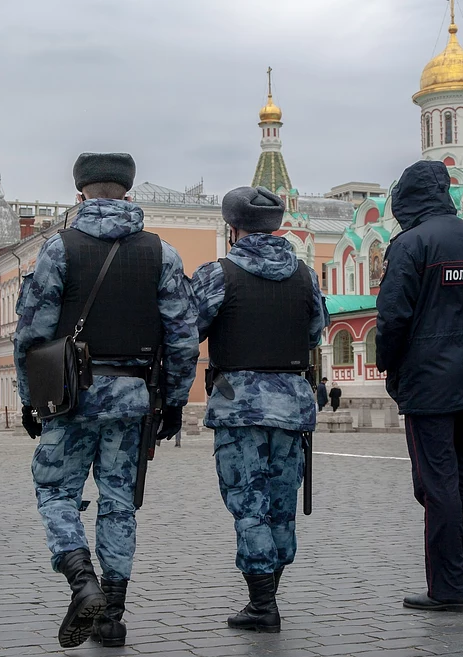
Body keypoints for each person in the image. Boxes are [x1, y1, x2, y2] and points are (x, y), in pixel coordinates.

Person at [14, 153, 199, 648]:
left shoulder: (58, 249)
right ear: (128, 193)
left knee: (55, 491)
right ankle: (111, 617)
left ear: (81, 195)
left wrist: (31, 398)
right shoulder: (162, 254)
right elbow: (183, 336)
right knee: (119, 503)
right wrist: (175, 402)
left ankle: (82, 582)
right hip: (133, 399)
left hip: (70, 397)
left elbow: (31, 333)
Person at [374, 160, 463, 612]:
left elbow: (393, 318)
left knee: (438, 484)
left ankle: (449, 588)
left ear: (405, 200)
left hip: (428, 384)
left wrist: (390, 367)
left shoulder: (410, 245)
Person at [191, 186, 328, 633]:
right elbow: (314, 333)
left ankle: (262, 604)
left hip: (238, 406)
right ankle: (267, 595)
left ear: (232, 228)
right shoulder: (305, 275)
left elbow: (187, 328)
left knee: (248, 504)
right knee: (281, 505)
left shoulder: (218, 274)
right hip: (291, 405)